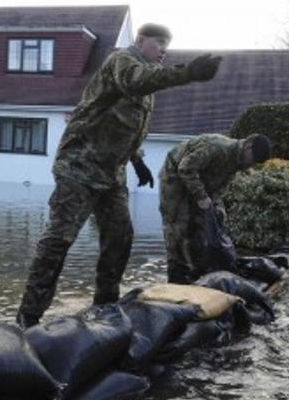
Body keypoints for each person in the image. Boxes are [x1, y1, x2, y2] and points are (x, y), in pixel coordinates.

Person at [16, 24, 222, 328]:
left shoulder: (147, 85)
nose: (164, 49)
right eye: (159, 43)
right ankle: (28, 316)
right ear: (140, 40)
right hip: (80, 165)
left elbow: (123, 125)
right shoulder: (122, 61)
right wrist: (187, 73)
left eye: (167, 44)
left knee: (120, 237)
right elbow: (135, 82)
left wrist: (137, 160)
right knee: (60, 239)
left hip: (112, 174)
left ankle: (105, 304)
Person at [159, 133, 272, 284]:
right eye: (253, 160)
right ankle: (176, 277)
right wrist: (201, 196)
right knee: (178, 227)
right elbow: (185, 168)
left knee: (201, 227)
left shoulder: (237, 162)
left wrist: (218, 206)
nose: (251, 166)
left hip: (197, 179)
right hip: (174, 176)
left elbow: (218, 187)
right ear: (248, 147)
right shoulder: (218, 148)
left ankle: (196, 274)